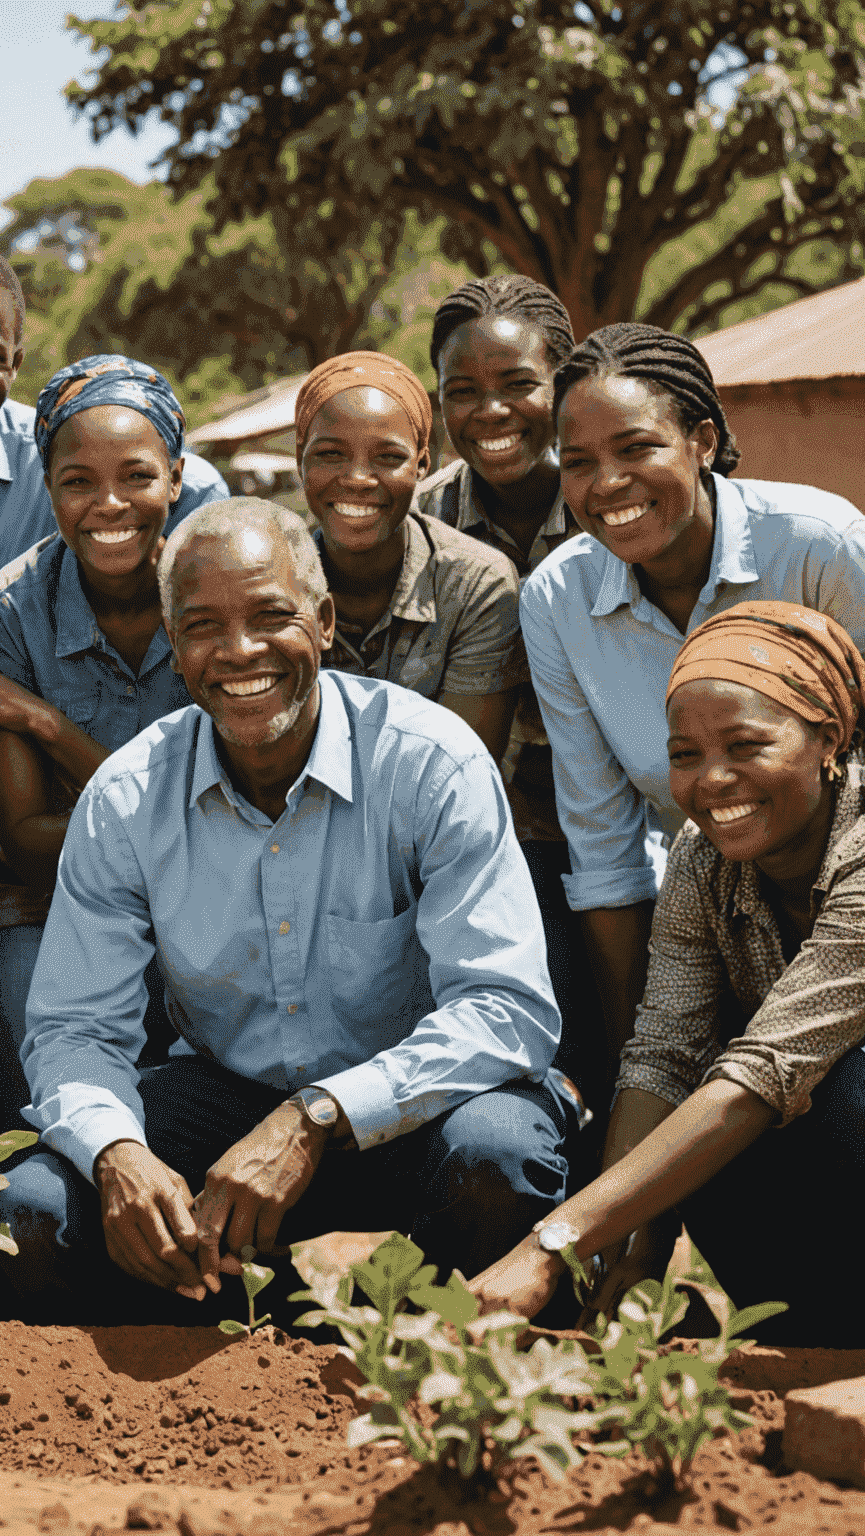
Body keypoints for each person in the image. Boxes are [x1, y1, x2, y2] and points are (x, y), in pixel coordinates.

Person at [0, 498, 571, 1327]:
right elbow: (74, 1030)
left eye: (271, 616)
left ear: (324, 621)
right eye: (203, 627)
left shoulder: (429, 762)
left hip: (416, 1106)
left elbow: (506, 1009)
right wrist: (117, 1151)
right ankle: (255, 1339)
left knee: (500, 1157)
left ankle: (390, 1330)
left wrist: (319, 1113)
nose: (239, 652)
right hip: (229, 1097)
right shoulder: (127, 798)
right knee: (36, 1210)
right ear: (173, 647)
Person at [0, 241, 228, 1106]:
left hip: (86, 807)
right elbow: (28, 839)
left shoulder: (188, 553)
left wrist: (40, 719)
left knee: (192, 1097)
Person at [472, 603, 865, 1347]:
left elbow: (766, 1071)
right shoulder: (701, 857)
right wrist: (638, 1241)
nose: (714, 781)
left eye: (748, 744)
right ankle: (810, 1342)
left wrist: (551, 1243)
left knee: (841, 1095)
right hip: (803, 1130)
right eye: (685, 754)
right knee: (690, 1119)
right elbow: (664, 1051)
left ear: (829, 740)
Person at [520, 323, 865, 1064]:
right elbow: (605, 850)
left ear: (702, 440)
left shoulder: (819, 545)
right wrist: (642, 1063)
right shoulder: (558, 600)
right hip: (710, 920)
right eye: (577, 462)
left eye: (636, 447)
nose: (606, 484)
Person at [0, 355, 198, 1144]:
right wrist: (183, 813)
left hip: (205, 898)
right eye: (77, 482)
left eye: (136, 476)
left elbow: (238, 814)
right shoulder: (8, 611)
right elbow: (30, 846)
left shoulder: (214, 593)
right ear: (47, 485)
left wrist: (49, 727)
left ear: (175, 477)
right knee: (35, 1124)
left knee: (197, 1116)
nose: (108, 505)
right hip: (36, 903)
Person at [416, 277, 610, 1117]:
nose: (489, 411)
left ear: (561, 384)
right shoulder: (421, 528)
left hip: (628, 825)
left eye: (518, 385)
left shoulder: (614, 503)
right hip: (493, 839)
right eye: (463, 391)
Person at [296, 350, 526, 765]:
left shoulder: (474, 586)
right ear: (301, 461)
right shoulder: (270, 583)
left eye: (388, 457)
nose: (358, 479)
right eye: (330, 454)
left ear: (423, 464)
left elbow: (457, 774)